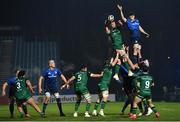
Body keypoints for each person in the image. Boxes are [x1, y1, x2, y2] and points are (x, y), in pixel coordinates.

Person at [105, 15, 134, 81]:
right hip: (117, 47)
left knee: (119, 61)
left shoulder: (118, 29)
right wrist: (106, 25)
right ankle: (129, 71)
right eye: (112, 24)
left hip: (120, 46)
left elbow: (121, 25)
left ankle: (116, 74)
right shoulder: (111, 32)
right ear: (110, 25)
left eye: (114, 23)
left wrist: (120, 22)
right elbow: (107, 31)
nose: (113, 24)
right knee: (125, 57)